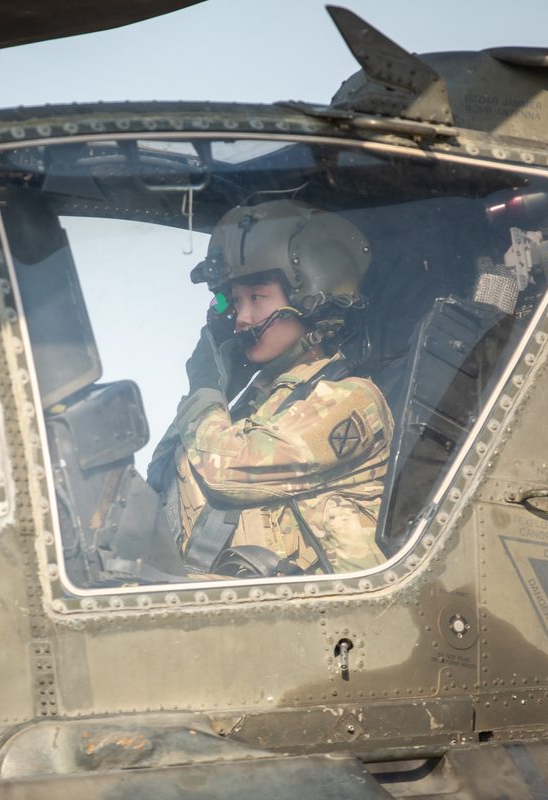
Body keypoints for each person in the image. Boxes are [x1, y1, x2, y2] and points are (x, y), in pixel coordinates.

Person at [148, 199, 394, 577]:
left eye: (257, 297)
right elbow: (163, 475)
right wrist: (224, 382)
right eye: (235, 301)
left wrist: (206, 389)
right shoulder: (258, 403)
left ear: (310, 301)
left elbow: (226, 472)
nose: (242, 318)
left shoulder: (351, 399)